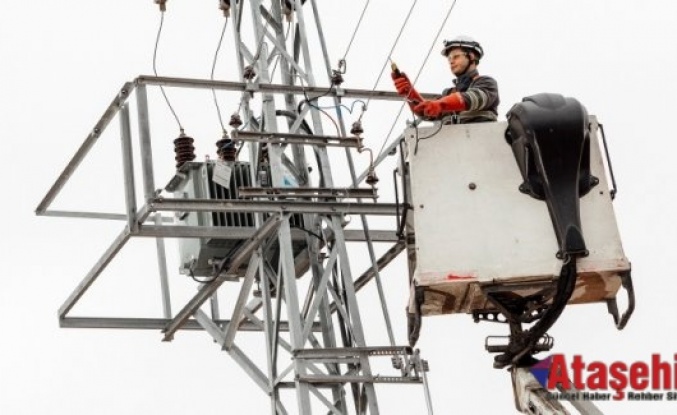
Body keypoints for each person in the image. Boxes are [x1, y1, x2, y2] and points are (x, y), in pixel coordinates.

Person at [392, 35, 500, 124]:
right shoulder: (448, 93)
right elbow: (427, 113)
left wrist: (440, 104)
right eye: (449, 58)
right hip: (453, 148)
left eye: (456, 56)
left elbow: (472, 98)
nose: (451, 61)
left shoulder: (487, 83)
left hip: (483, 146)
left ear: (471, 56)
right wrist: (410, 93)